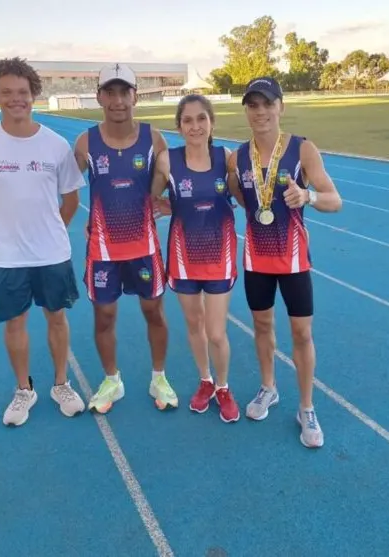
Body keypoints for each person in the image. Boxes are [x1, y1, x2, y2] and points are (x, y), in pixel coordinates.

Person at [0, 57, 86, 426]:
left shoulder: (56, 145)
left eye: (23, 92)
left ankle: (61, 384)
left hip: (52, 254)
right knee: (15, 324)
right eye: (7, 93)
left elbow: (72, 199)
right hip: (6, 256)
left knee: (57, 319)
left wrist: (50, 230)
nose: (17, 99)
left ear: (34, 95)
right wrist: (1, 232)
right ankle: (24, 389)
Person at [226, 76, 343, 448]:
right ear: (246, 109)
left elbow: (334, 200)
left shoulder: (302, 150)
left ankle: (306, 407)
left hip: (293, 260)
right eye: (253, 105)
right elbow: (243, 200)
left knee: (302, 333)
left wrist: (307, 196)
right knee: (261, 326)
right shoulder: (237, 157)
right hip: (256, 258)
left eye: (267, 104)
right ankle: (268, 388)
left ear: (281, 107)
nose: (261, 112)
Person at [73, 63, 178, 413]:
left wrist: (169, 202)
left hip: (144, 248)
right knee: (104, 317)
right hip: (103, 250)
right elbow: (62, 185)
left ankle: (159, 377)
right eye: (110, 92)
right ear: (99, 96)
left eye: (124, 92)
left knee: (154, 312)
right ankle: (111, 380)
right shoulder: (86, 142)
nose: (118, 100)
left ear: (135, 95)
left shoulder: (155, 138)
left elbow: (172, 181)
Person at [150, 94, 240, 423]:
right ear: (179, 126)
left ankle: (223, 386)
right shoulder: (166, 162)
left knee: (216, 332)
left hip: (219, 255)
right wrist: (166, 206)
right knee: (194, 324)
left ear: (211, 123)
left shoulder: (225, 158)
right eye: (188, 120)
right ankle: (205, 380)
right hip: (183, 257)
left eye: (201, 118)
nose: (195, 126)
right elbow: (152, 198)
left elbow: (239, 197)